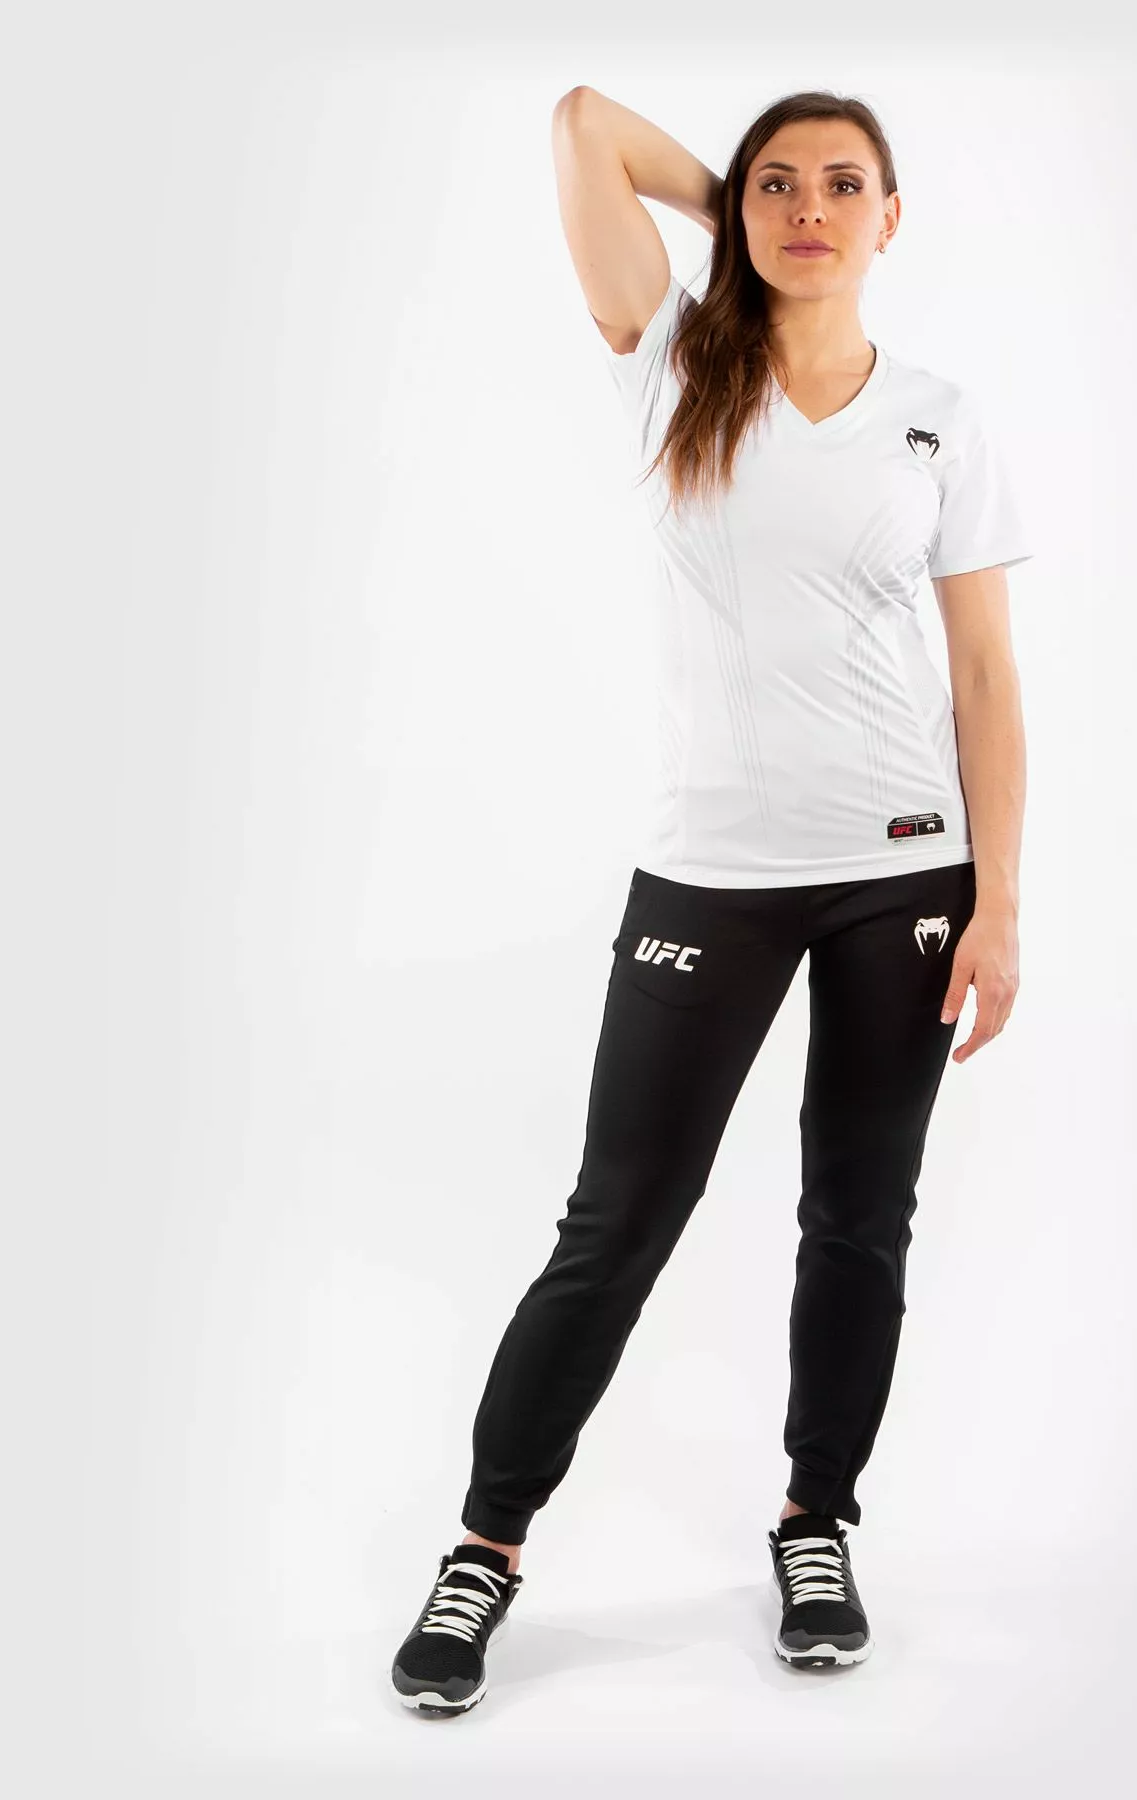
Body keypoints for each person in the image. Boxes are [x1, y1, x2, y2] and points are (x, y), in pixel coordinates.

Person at [391, 84, 1033, 1715]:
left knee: (860, 1219)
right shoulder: (679, 364)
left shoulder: (943, 417)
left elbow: (983, 675)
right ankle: (484, 1547)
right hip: (714, 873)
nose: (810, 209)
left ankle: (818, 1523)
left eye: (843, 186)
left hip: (903, 872)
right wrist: (728, 219)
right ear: (740, 208)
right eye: (778, 186)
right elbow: (582, 124)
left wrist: (1001, 902)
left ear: (894, 218)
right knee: (617, 1221)